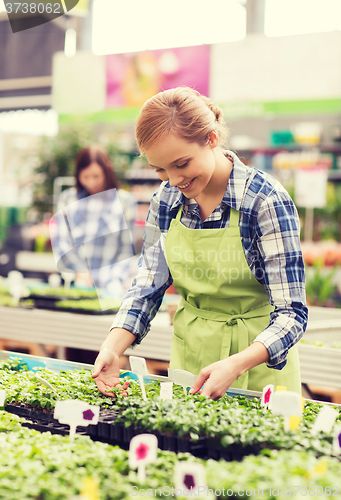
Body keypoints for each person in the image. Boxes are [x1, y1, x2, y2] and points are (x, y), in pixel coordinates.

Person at [92, 87, 308, 400]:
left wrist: (237, 363)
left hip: (259, 369)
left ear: (211, 138)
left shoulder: (264, 201)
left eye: (181, 164)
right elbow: (147, 287)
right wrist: (112, 347)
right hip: (190, 362)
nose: (173, 180)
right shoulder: (165, 202)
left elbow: (293, 314)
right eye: (160, 170)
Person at [51, 145, 136, 295]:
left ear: (107, 172)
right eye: (85, 177)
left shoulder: (125, 202)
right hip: (76, 283)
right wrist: (79, 270)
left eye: (96, 176)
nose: (91, 182)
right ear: (78, 175)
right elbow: (61, 242)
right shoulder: (68, 199)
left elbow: (125, 248)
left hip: (112, 286)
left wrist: (113, 280)